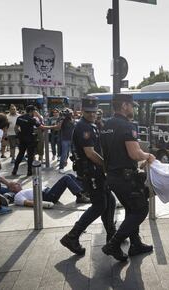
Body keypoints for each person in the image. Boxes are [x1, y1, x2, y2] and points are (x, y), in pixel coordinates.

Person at [100, 94, 154, 262]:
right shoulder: (127, 126)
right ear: (124, 106)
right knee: (140, 209)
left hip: (112, 176)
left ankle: (136, 244)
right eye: (132, 105)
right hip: (125, 178)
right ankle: (113, 244)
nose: (134, 108)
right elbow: (135, 153)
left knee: (131, 209)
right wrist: (149, 155)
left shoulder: (105, 125)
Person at [60, 97, 116, 256]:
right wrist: (108, 166)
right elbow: (90, 153)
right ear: (82, 111)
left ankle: (112, 236)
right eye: (88, 112)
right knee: (99, 205)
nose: (92, 114)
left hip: (96, 172)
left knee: (109, 201)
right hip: (91, 172)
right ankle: (72, 236)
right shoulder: (84, 127)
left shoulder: (91, 125)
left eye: (94, 112)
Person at [1, 173, 90, 208]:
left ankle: (85, 192)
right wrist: (45, 205)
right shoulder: (18, 196)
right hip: (47, 196)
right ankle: (79, 197)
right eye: (16, 184)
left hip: (48, 192)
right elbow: (27, 203)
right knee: (66, 178)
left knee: (69, 175)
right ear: (12, 189)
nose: (19, 184)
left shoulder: (23, 191)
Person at [12, 105, 51, 176]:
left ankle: (15, 169)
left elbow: (16, 128)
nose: (35, 112)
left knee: (20, 154)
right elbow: (42, 127)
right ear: (31, 111)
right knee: (30, 156)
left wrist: (19, 135)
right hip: (30, 139)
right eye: (34, 111)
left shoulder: (20, 118)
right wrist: (54, 127)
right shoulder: (32, 119)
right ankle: (29, 172)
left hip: (22, 139)